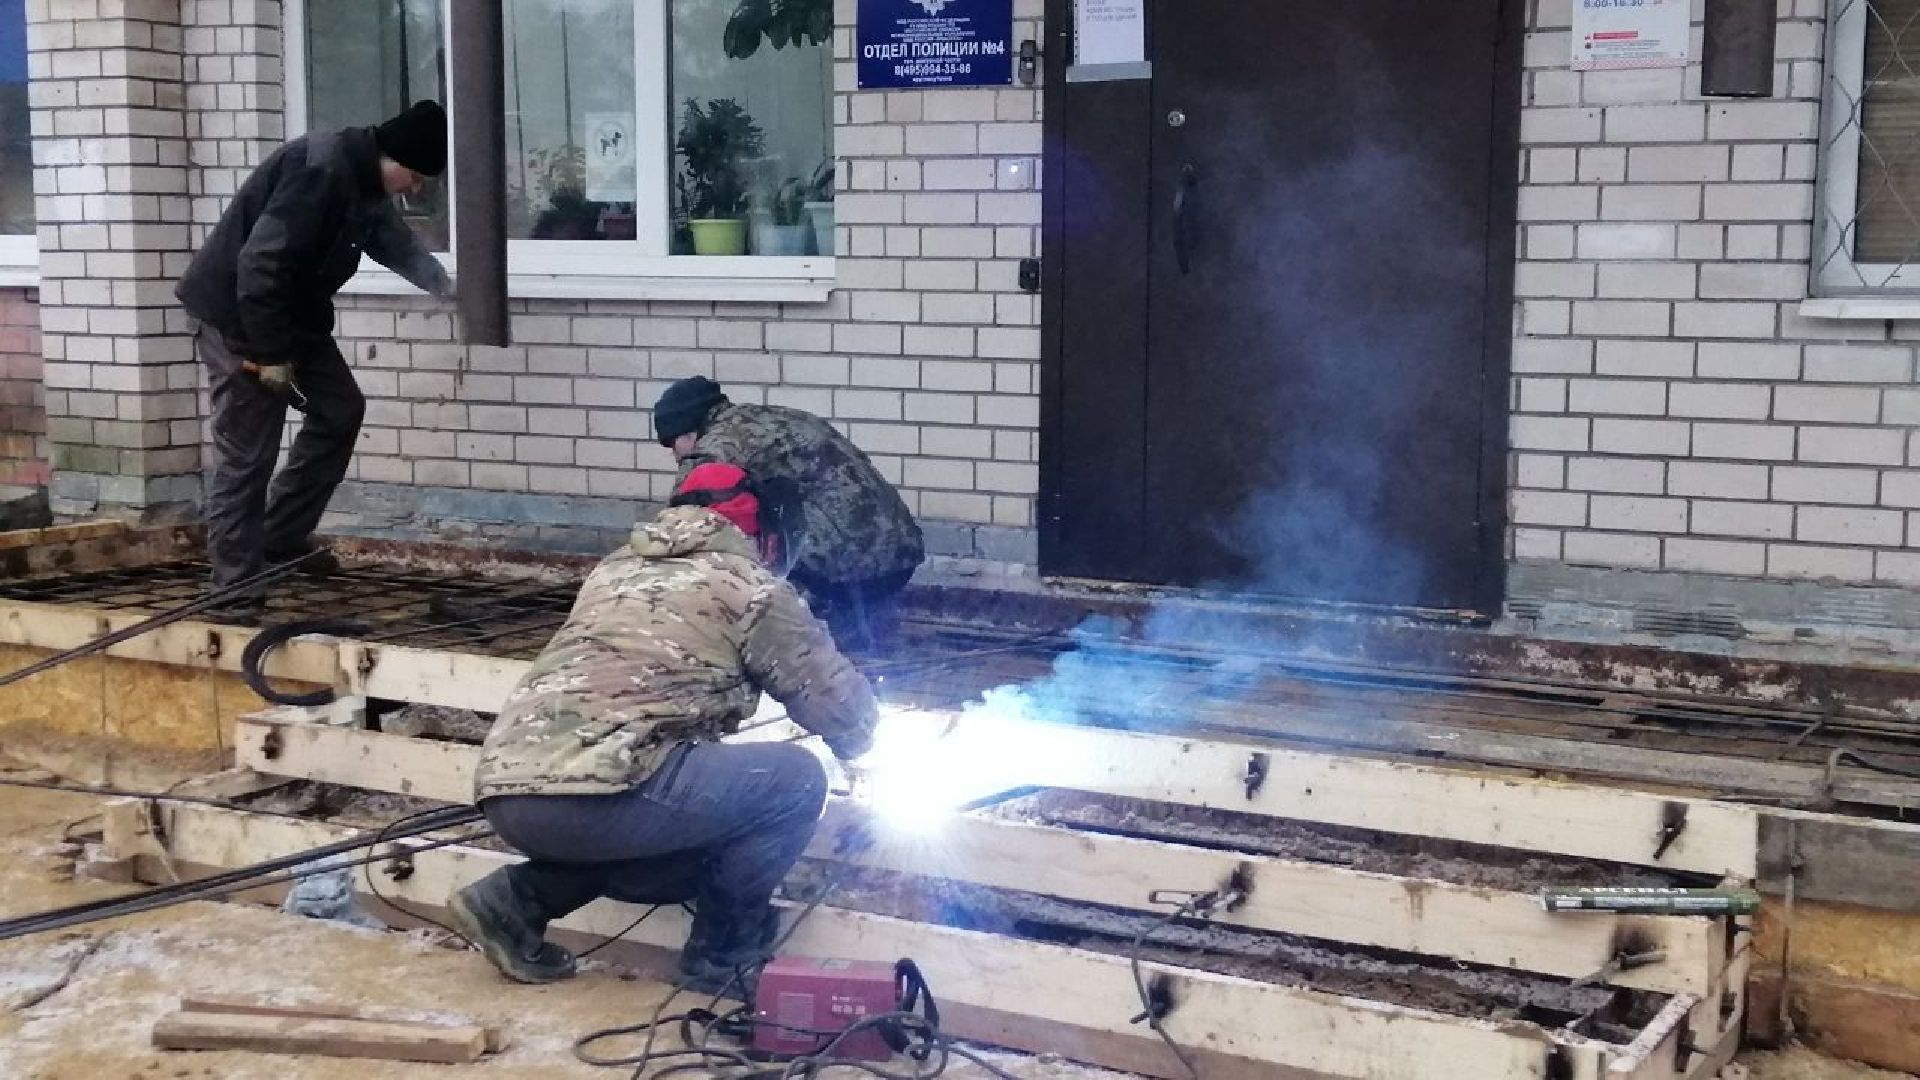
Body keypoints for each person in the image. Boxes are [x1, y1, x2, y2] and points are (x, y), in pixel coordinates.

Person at [450, 463, 878, 991]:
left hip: (510, 790)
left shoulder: (615, 570)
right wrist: (871, 746)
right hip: (605, 790)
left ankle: (514, 903)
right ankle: (724, 957)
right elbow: (836, 704)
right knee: (795, 781)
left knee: (685, 828)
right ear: (764, 535)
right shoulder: (751, 586)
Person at [176, 100, 456, 623]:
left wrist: (443, 286)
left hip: (292, 315)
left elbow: (389, 240)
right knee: (247, 453)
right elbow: (260, 265)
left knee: (340, 410)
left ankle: (278, 542)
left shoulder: (365, 180)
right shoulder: (320, 171)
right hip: (240, 316)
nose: (415, 188)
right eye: (414, 175)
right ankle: (233, 590)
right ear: (391, 155)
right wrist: (270, 355)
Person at [652, 376, 924, 652]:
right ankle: (863, 642)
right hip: (900, 554)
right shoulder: (776, 418)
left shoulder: (715, 447)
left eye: (673, 446)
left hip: (841, 572)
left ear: (687, 433)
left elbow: (679, 527)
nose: (675, 457)